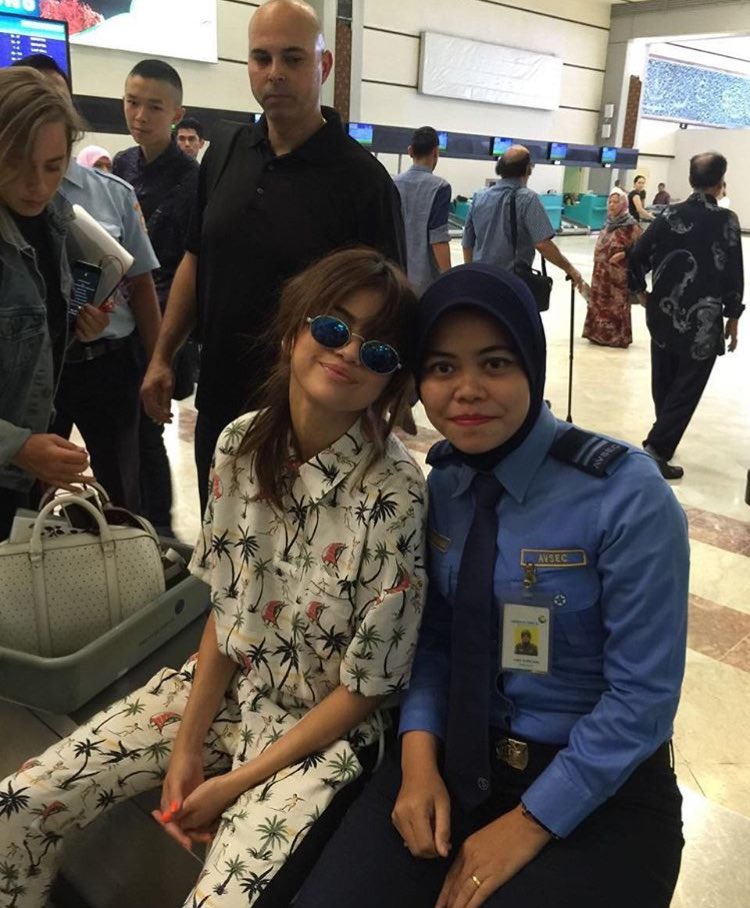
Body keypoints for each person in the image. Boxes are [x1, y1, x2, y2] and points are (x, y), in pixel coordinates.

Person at [0, 247, 427, 908]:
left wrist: (233, 784)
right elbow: (228, 614)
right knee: (21, 802)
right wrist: (186, 747)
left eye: (377, 351)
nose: (348, 352)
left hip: (322, 733)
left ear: (390, 383)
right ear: (292, 332)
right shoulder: (240, 445)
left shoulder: (395, 493)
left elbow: (365, 690)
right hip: (229, 687)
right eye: (334, 327)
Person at [295, 263, 689, 908]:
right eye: (442, 367)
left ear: (532, 366)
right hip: (454, 756)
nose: (468, 390)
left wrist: (532, 821)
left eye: (496, 363)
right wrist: (417, 761)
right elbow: (435, 637)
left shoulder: (625, 495)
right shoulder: (446, 483)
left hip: (599, 784)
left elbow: (643, 697)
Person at [141, 0, 406, 514]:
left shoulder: (363, 182)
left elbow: (389, 309)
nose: (274, 73)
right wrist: (162, 355)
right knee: (222, 538)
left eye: (293, 58)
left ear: (323, 65)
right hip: (220, 401)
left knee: (293, 551)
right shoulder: (225, 151)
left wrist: (389, 402)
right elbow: (197, 257)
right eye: (261, 58)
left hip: (311, 416)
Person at [14, 52, 162, 514]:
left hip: (100, 367)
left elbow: (140, 284)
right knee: (27, 500)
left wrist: (157, 362)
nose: (38, 185)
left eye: (52, 166)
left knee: (120, 491)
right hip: (28, 392)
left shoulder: (94, 201)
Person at [0, 67, 100, 539]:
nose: (37, 185)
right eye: (16, 164)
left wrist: (74, 325)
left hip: (21, 479)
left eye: (53, 166)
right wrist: (18, 446)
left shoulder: (53, 219)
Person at [113, 58, 200, 534]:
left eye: (154, 107)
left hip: (161, 323)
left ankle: (161, 533)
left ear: (176, 114)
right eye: (132, 102)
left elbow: (188, 263)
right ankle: (128, 529)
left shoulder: (192, 179)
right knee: (122, 435)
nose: (140, 115)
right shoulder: (122, 165)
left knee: (149, 435)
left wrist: (164, 343)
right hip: (114, 317)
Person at [625, 152, 744, 481]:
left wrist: (641, 294)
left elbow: (636, 256)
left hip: (663, 312)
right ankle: (657, 447)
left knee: (664, 379)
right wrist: (733, 316)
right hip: (703, 320)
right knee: (688, 386)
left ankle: (662, 435)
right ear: (721, 183)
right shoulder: (727, 220)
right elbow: (733, 272)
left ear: (691, 180)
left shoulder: (668, 215)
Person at [461, 145, 582, 290]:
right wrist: (569, 269)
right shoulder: (528, 199)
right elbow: (543, 244)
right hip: (511, 283)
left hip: (482, 279)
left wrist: (472, 275)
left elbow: (467, 243)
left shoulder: (479, 197)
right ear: (527, 169)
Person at [393, 126, 452, 293]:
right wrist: (450, 279)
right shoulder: (440, 187)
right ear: (435, 152)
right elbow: (438, 239)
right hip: (424, 283)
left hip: (395, 278)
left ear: (410, 151)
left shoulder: (392, 183)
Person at [581, 189, 642, 348]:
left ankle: (615, 337)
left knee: (616, 305)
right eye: (610, 202)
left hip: (618, 276)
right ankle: (597, 334)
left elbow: (642, 249)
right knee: (599, 302)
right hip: (601, 274)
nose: (612, 205)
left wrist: (625, 254)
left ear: (624, 204)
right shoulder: (608, 223)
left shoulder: (631, 226)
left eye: (616, 202)